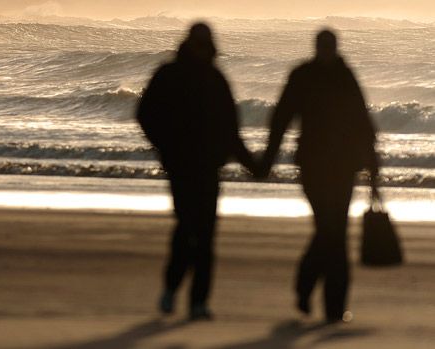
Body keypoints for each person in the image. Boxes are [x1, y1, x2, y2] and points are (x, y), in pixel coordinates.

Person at [137, 23, 257, 320]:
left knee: (205, 234)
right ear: (190, 44)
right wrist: (165, 147)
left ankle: (198, 302)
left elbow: (231, 129)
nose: (202, 49)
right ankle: (173, 287)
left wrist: (254, 164)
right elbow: (145, 115)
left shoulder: (215, 78)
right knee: (188, 227)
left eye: (205, 44)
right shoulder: (169, 74)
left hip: (207, 167)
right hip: (180, 166)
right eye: (198, 43)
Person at [260, 29, 379, 323]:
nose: (327, 50)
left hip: (342, 167)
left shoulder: (344, 76)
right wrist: (266, 160)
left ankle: (325, 301)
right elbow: (281, 119)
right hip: (314, 167)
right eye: (323, 46)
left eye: (330, 46)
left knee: (334, 231)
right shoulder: (304, 75)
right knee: (331, 230)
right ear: (317, 47)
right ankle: (317, 295)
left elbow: (363, 124)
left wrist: (374, 171)